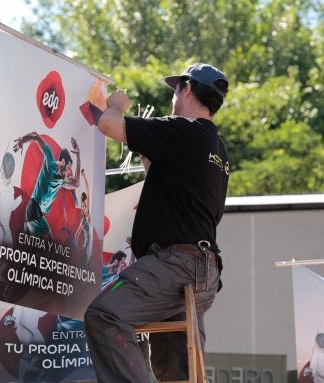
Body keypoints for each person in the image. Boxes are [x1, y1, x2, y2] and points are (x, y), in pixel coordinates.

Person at [84, 63, 229, 383]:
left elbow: (109, 124)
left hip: (174, 265)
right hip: (200, 273)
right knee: (175, 370)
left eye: (177, 89)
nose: (174, 96)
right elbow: (162, 177)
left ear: (187, 88)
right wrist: (146, 143)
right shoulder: (215, 148)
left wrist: (118, 106)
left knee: (104, 315)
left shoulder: (183, 129)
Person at [13, 132, 81, 241]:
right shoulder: (50, 163)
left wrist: (78, 155)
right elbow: (36, 136)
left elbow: (76, 183)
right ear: (63, 162)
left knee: (27, 247)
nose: (68, 173)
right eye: (68, 169)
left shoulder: (61, 181)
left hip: (33, 212)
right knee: (50, 246)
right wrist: (22, 139)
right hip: (34, 209)